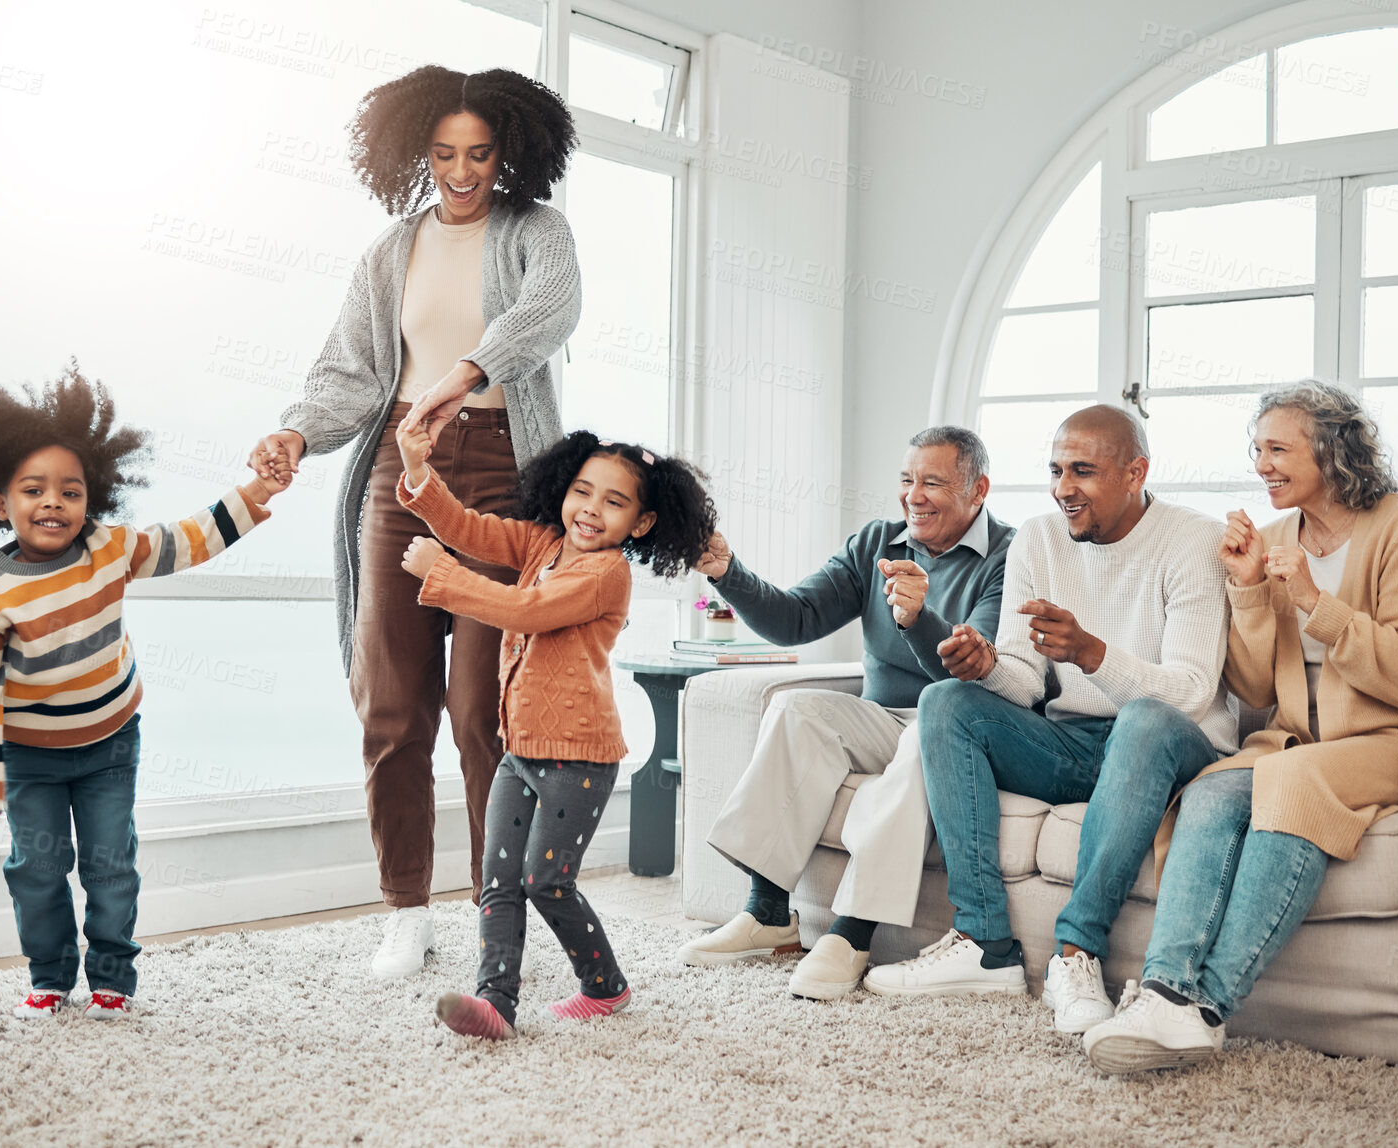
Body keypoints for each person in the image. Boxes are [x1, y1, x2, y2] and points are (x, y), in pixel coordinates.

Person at [245, 66, 580, 979]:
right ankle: (404, 910)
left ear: (509, 150)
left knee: (483, 709)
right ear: (413, 154)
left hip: (504, 472)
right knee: (392, 705)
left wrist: (463, 376)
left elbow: (548, 312)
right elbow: (348, 373)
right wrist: (292, 432)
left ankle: (491, 906)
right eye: (442, 154)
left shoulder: (536, 231)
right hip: (403, 465)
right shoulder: (389, 253)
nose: (461, 172)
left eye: (478, 153)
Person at [1083, 381, 1398, 1073]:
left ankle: (1205, 1008)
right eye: (1256, 449)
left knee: (1290, 779)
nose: (1260, 464)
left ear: (1331, 450)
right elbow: (1254, 688)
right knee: (1210, 789)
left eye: (1276, 449)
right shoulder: (1271, 540)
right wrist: (1245, 590)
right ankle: (1162, 992)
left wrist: (1311, 601)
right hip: (1299, 738)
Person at [0, 364, 289, 1019]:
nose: (53, 502)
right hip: (29, 756)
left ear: (92, 499)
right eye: (33, 490)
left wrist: (258, 488)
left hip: (110, 744)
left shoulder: (109, 550)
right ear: (1, 503)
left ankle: (113, 973)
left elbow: (186, 540)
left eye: (70, 490)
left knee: (110, 865)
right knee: (35, 869)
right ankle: (50, 974)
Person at [862, 405, 1235, 1036]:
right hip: (1075, 743)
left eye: (1083, 471)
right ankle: (985, 947)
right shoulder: (1038, 538)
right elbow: (1026, 677)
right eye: (1056, 470)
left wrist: (1090, 652)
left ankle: (1076, 954)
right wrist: (982, 668)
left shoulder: (1193, 541)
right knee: (945, 702)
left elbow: (1193, 693)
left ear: (1136, 471)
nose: (1064, 488)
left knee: (1143, 719)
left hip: (1170, 744)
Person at [392, 426, 718, 1039]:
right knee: (499, 878)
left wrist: (443, 576)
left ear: (641, 524)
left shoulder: (605, 575)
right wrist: (417, 474)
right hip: (519, 752)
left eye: (614, 502)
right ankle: (495, 1005)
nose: (591, 509)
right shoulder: (544, 545)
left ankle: (606, 987)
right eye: (582, 491)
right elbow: (469, 529)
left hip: (579, 758)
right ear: (563, 492)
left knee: (547, 882)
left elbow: (525, 612)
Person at [676, 427, 1014, 1000]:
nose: (914, 496)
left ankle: (852, 936)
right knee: (794, 708)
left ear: (978, 489)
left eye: (932, 482)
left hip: (962, 723)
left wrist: (918, 619)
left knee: (930, 721)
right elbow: (797, 618)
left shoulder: (1008, 556)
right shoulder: (878, 543)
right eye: (907, 481)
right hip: (880, 720)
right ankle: (768, 914)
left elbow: (970, 671)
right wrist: (727, 573)